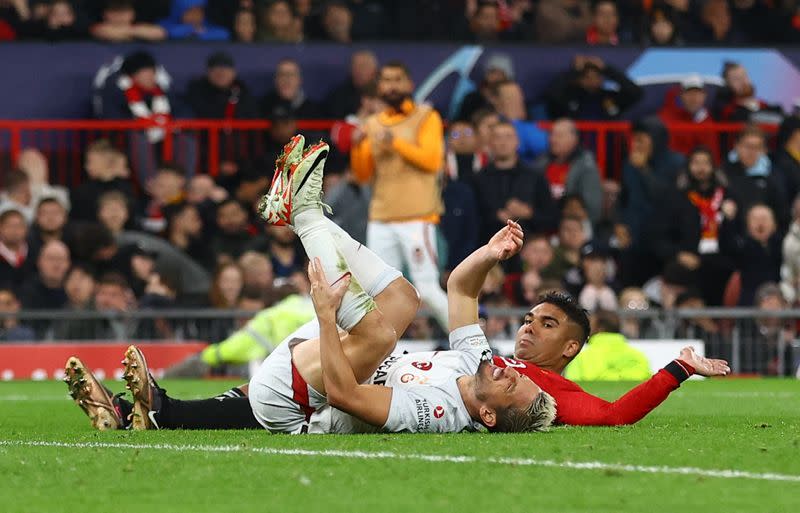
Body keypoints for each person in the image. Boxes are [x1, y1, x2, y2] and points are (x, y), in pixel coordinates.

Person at [350, 61, 450, 332]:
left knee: (427, 289)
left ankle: (473, 345)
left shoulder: (427, 117)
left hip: (417, 217)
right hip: (381, 218)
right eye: (386, 80)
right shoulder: (372, 123)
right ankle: (381, 356)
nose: (391, 86)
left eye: (397, 79)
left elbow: (431, 161)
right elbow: (362, 175)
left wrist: (393, 141)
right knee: (380, 293)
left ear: (409, 84)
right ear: (379, 86)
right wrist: (358, 146)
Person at [472, 120, 557, 246]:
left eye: (508, 137)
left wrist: (530, 214)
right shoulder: (478, 179)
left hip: (528, 249)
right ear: (490, 143)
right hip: (488, 248)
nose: (503, 142)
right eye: (498, 137)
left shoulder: (535, 177)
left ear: (517, 142)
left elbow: (552, 218)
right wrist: (495, 216)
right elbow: (471, 218)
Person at [532, 119, 603, 224]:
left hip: (573, 225)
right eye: (551, 135)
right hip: (541, 223)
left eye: (559, 136)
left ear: (574, 139)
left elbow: (592, 207)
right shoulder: (541, 162)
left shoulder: (586, 167)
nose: (553, 140)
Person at [543, 56, 643, 120]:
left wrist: (607, 69)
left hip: (608, 149)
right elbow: (551, 94)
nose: (592, 80)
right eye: (587, 77)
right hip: (575, 149)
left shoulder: (609, 96)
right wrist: (574, 72)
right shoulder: (569, 95)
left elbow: (636, 93)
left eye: (597, 76)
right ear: (578, 80)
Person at [564, 310, 651, 381]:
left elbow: (571, 385)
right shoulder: (638, 356)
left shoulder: (581, 358)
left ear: (600, 328)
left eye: (590, 326)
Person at [658, 75, 719, 161]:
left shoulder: (708, 121)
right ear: (681, 95)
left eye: (697, 93)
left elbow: (713, 155)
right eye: (689, 93)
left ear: (704, 96)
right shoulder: (667, 116)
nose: (693, 98)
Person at [90, 0, 167, 42]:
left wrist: (127, 32)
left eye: (124, 11)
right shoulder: (99, 28)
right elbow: (102, 32)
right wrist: (137, 34)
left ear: (132, 14)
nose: (119, 16)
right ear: (105, 14)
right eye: (114, 11)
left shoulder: (140, 27)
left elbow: (160, 33)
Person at [159, 0, 230, 40]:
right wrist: (192, 30)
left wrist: (202, 34)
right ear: (179, 11)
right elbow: (169, 32)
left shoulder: (206, 25)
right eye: (191, 12)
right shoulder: (166, 24)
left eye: (199, 11)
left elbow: (223, 34)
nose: (196, 15)